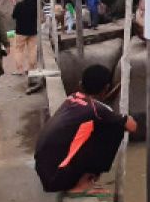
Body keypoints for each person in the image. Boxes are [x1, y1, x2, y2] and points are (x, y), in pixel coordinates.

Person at [34, 64, 138, 194]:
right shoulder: (97, 110)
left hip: (46, 171)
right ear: (106, 88)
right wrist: (123, 118)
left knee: (103, 126)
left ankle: (82, 179)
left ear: (80, 84)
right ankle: (82, 185)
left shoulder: (72, 98)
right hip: (58, 177)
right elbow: (132, 127)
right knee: (114, 129)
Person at [10, 0, 39, 74]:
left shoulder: (19, 5)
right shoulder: (35, 6)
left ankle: (19, 69)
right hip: (33, 31)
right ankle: (31, 68)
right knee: (32, 50)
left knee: (19, 50)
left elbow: (13, 16)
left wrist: (15, 6)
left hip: (20, 31)